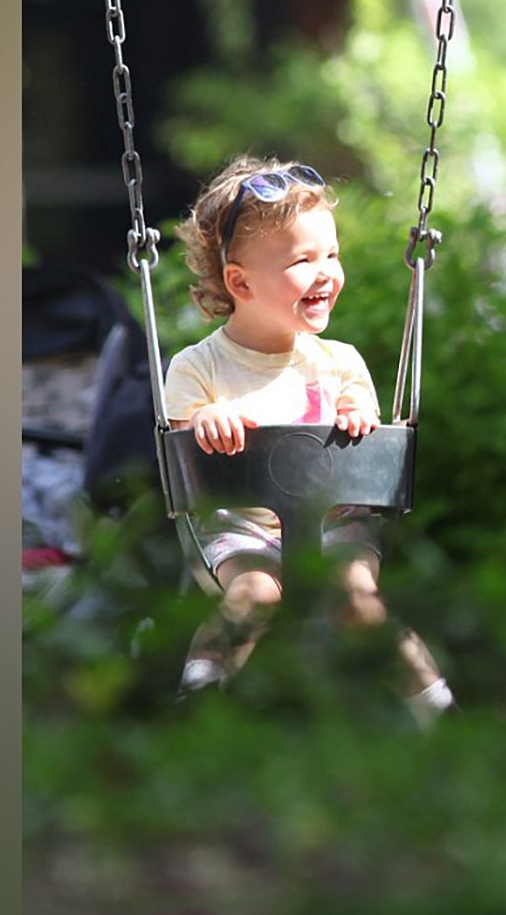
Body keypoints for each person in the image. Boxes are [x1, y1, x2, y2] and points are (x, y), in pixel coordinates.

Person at [163, 156, 453, 727]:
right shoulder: (196, 368)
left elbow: (362, 416)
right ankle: (197, 696)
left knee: (359, 601)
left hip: (333, 521)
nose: (326, 273)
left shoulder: (339, 362)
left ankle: (437, 706)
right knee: (255, 596)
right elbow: (186, 451)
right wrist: (207, 421)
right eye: (303, 260)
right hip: (244, 526)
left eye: (332, 255)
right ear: (240, 282)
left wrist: (357, 415)